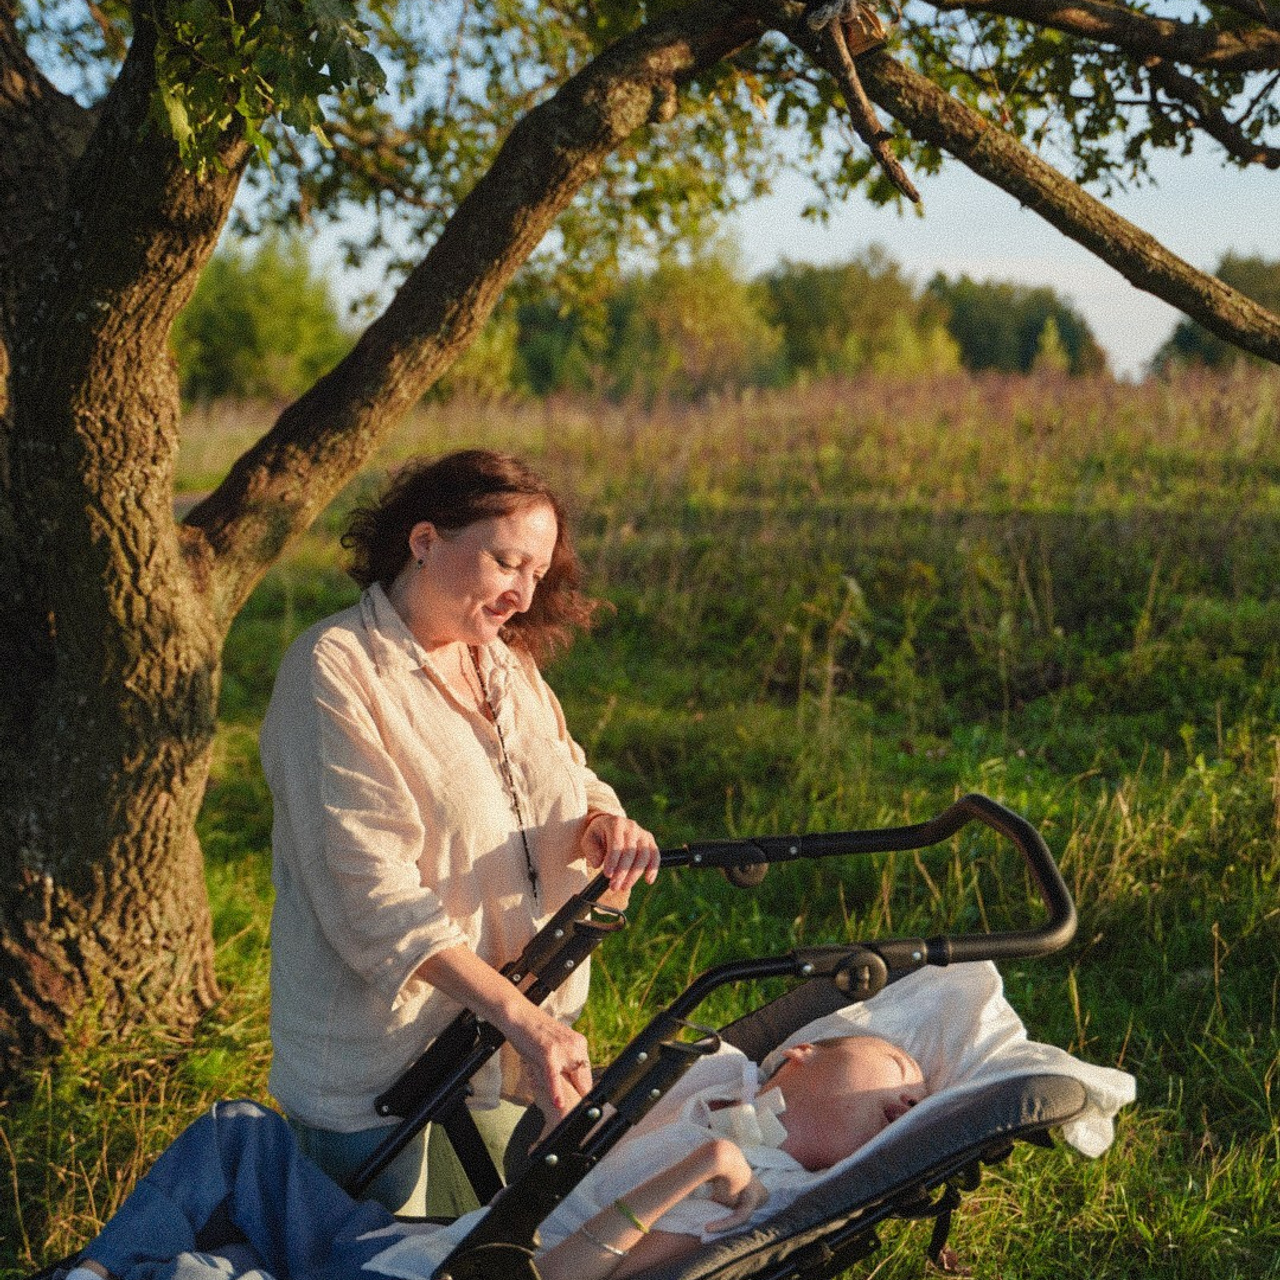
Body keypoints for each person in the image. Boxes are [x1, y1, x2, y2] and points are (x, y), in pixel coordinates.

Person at [257, 450, 662, 1215]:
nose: (522, 594)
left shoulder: (502, 664)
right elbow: (370, 896)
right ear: (424, 540)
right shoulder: (336, 669)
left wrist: (604, 822)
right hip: (388, 1078)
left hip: (508, 1055)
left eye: (537, 574)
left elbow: (565, 772)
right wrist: (522, 1019)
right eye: (508, 562)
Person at [62, 1033, 927, 1280]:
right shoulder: (717, 1092)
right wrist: (564, 1120)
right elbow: (545, 1171)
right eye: (896, 1067)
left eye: (920, 1102)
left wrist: (701, 1169)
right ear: (799, 1057)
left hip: (451, 1276)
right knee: (242, 1128)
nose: (908, 1096)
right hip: (396, 1246)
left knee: (204, 1275)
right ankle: (101, 1272)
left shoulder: (763, 1196)